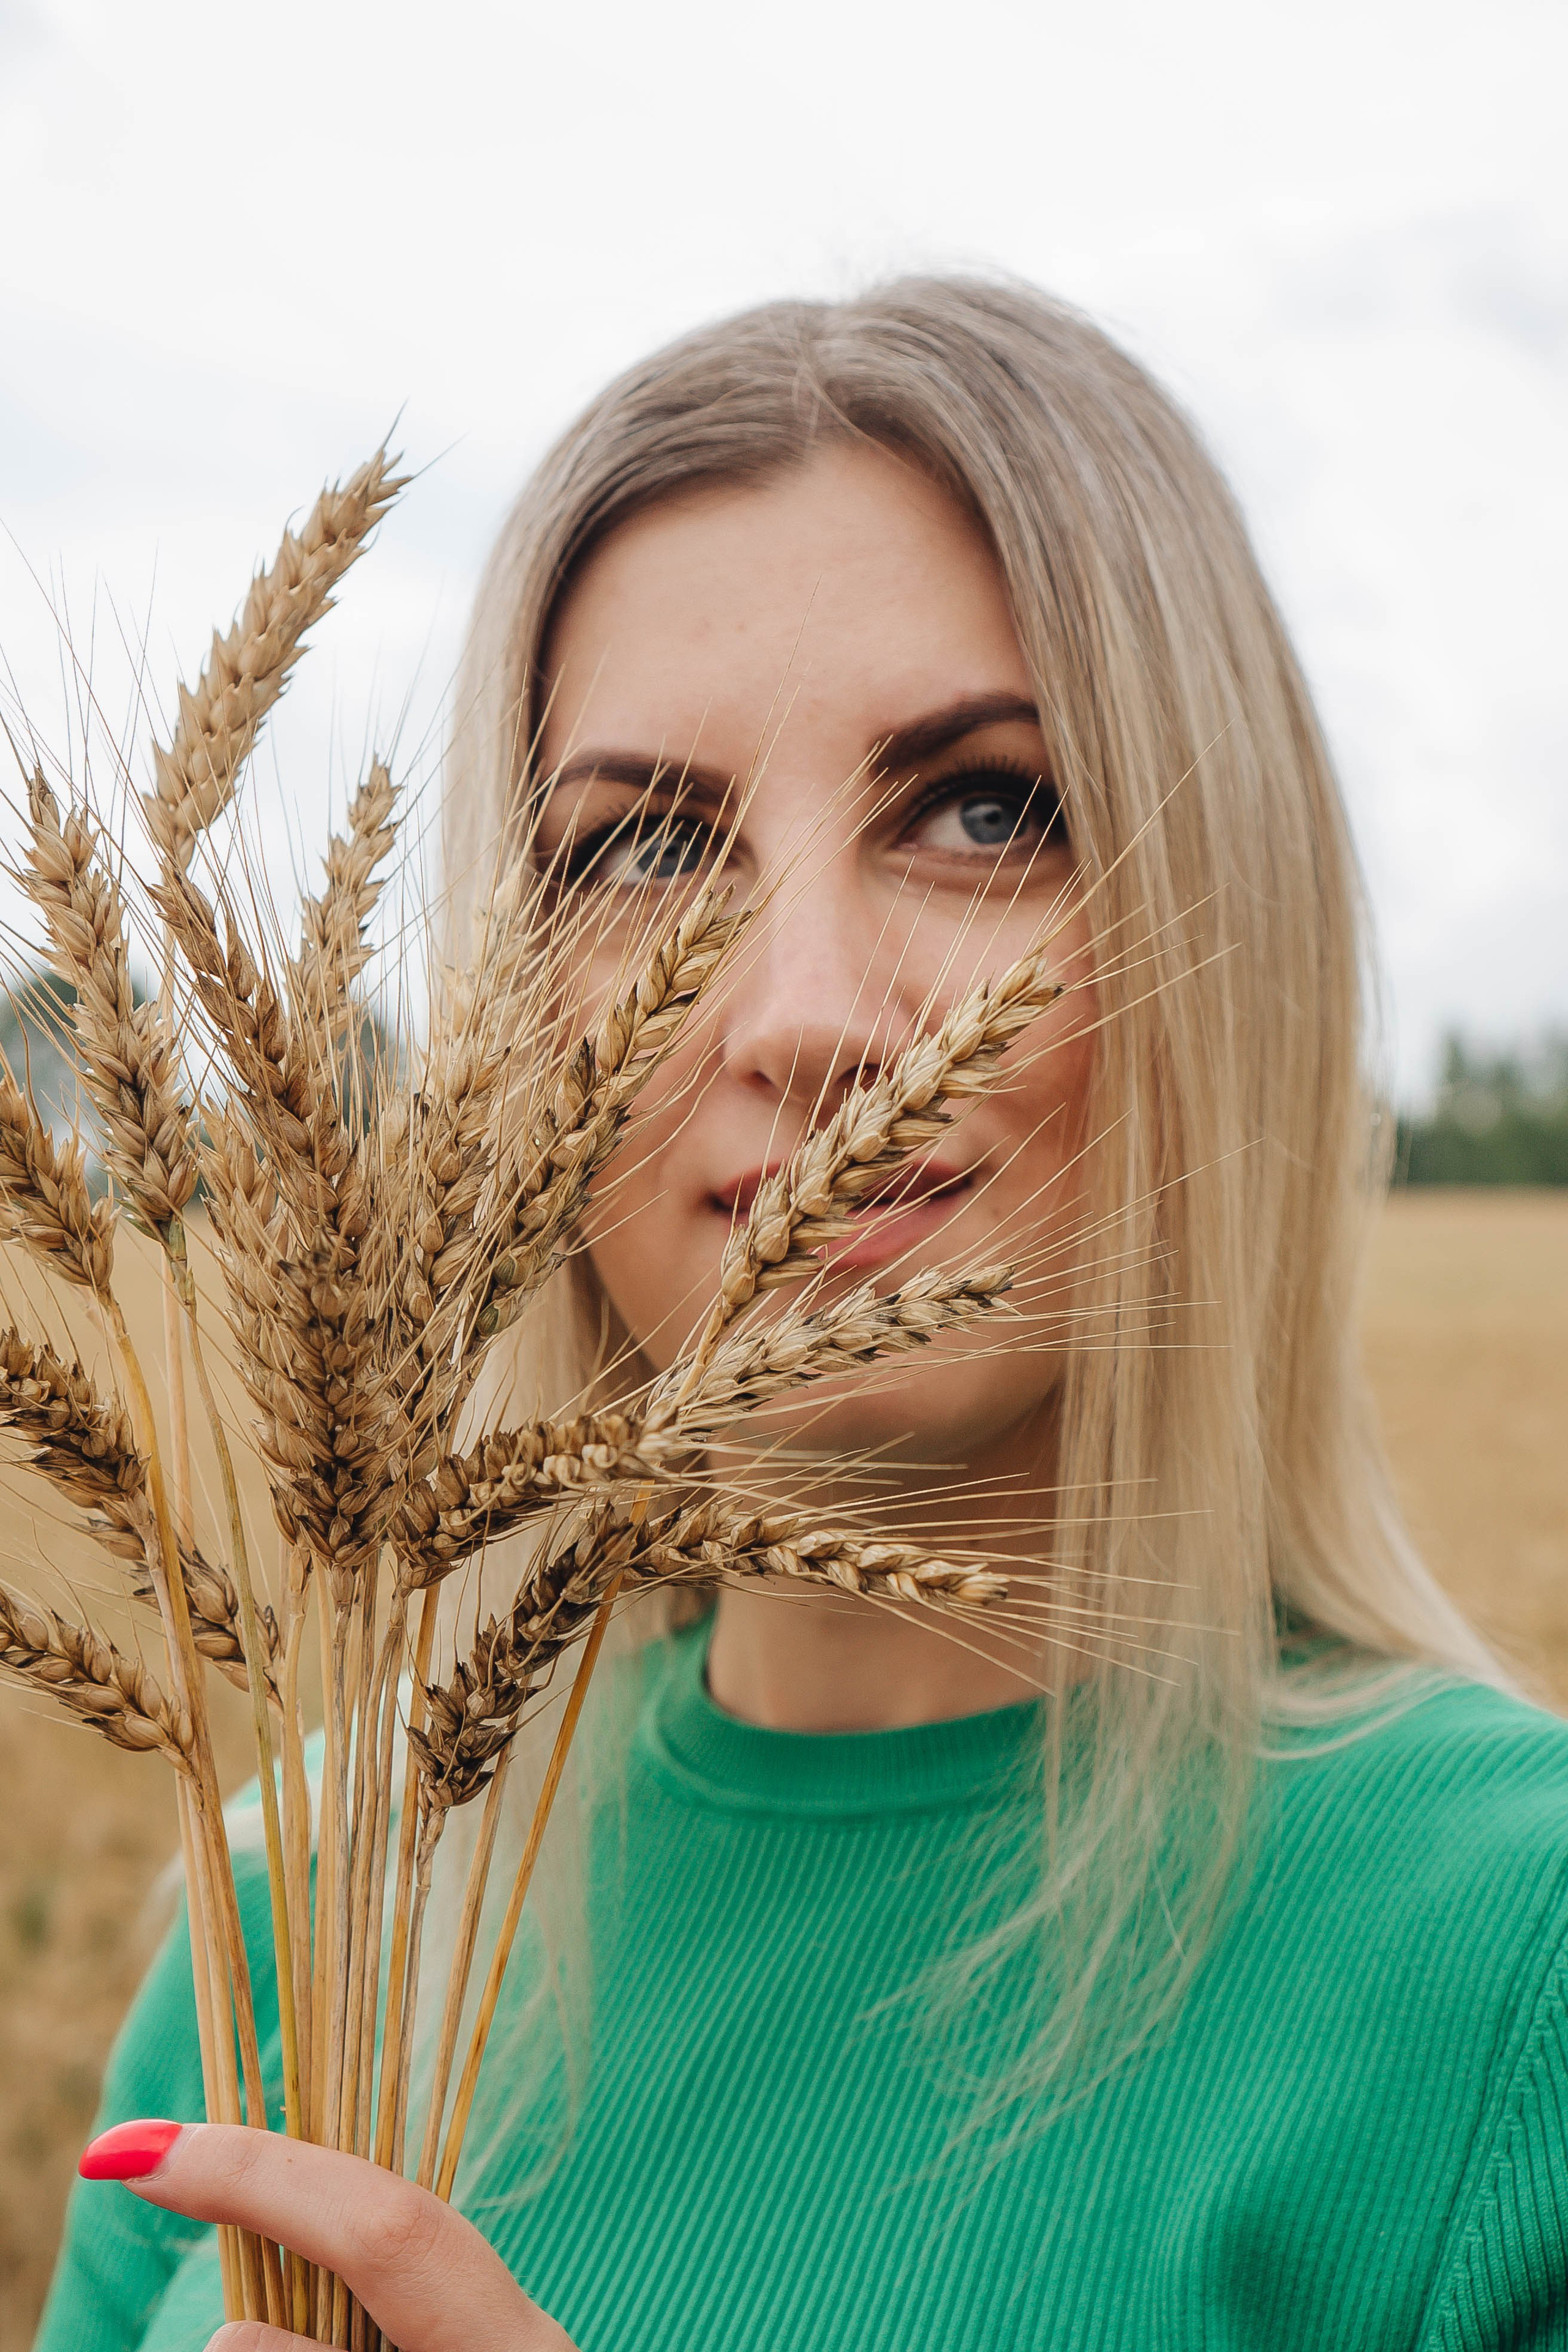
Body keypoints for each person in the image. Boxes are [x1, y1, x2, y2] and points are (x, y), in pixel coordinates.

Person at [40, 278, 1568, 2351]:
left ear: (1237, 926)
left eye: (984, 808)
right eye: (644, 849)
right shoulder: (295, 1921)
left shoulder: (1519, 1973)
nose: (806, 1014)